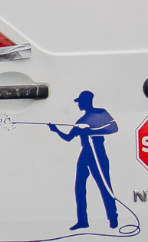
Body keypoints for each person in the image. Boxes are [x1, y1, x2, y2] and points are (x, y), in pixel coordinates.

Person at [50, 91, 120, 231]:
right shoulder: (80, 121)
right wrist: (56, 130)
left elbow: (113, 128)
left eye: (80, 101)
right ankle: (82, 220)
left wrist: (90, 130)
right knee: (79, 186)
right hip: (86, 153)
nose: (78, 104)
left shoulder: (101, 113)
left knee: (104, 185)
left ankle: (113, 218)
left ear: (87, 101)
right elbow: (69, 138)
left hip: (98, 152)